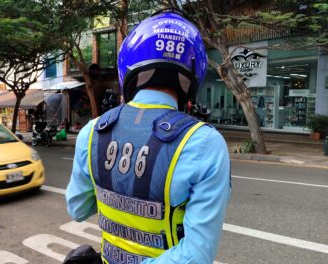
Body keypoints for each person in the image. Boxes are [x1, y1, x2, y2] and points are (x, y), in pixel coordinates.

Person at [66, 10, 231, 264]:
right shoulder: (205, 143)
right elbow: (197, 255)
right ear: (195, 71)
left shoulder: (93, 131)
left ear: (127, 65)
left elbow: (77, 209)